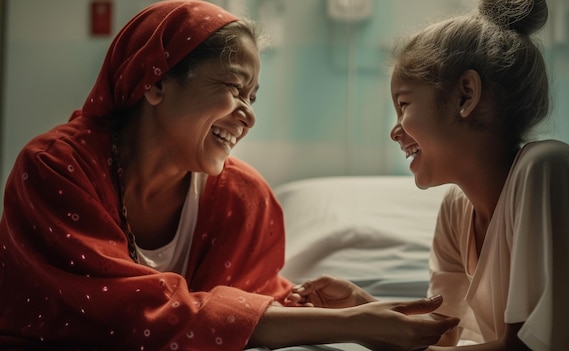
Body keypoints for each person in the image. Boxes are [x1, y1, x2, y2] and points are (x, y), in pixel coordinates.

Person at [0, 1, 460, 350]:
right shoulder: (53, 169)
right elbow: (123, 314)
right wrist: (353, 326)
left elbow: (243, 305)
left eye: (253, 98)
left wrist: (306, 305)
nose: (247, 116)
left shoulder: (244, 198)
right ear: (155, 81)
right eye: (233, 89)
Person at [382, 0, 569, 349]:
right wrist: (357, 313)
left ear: (466, 95)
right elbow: (444, 332)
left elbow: (527, 347)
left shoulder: (547, 169)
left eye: (403, 105)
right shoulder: (456, 209)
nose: (395, 131)